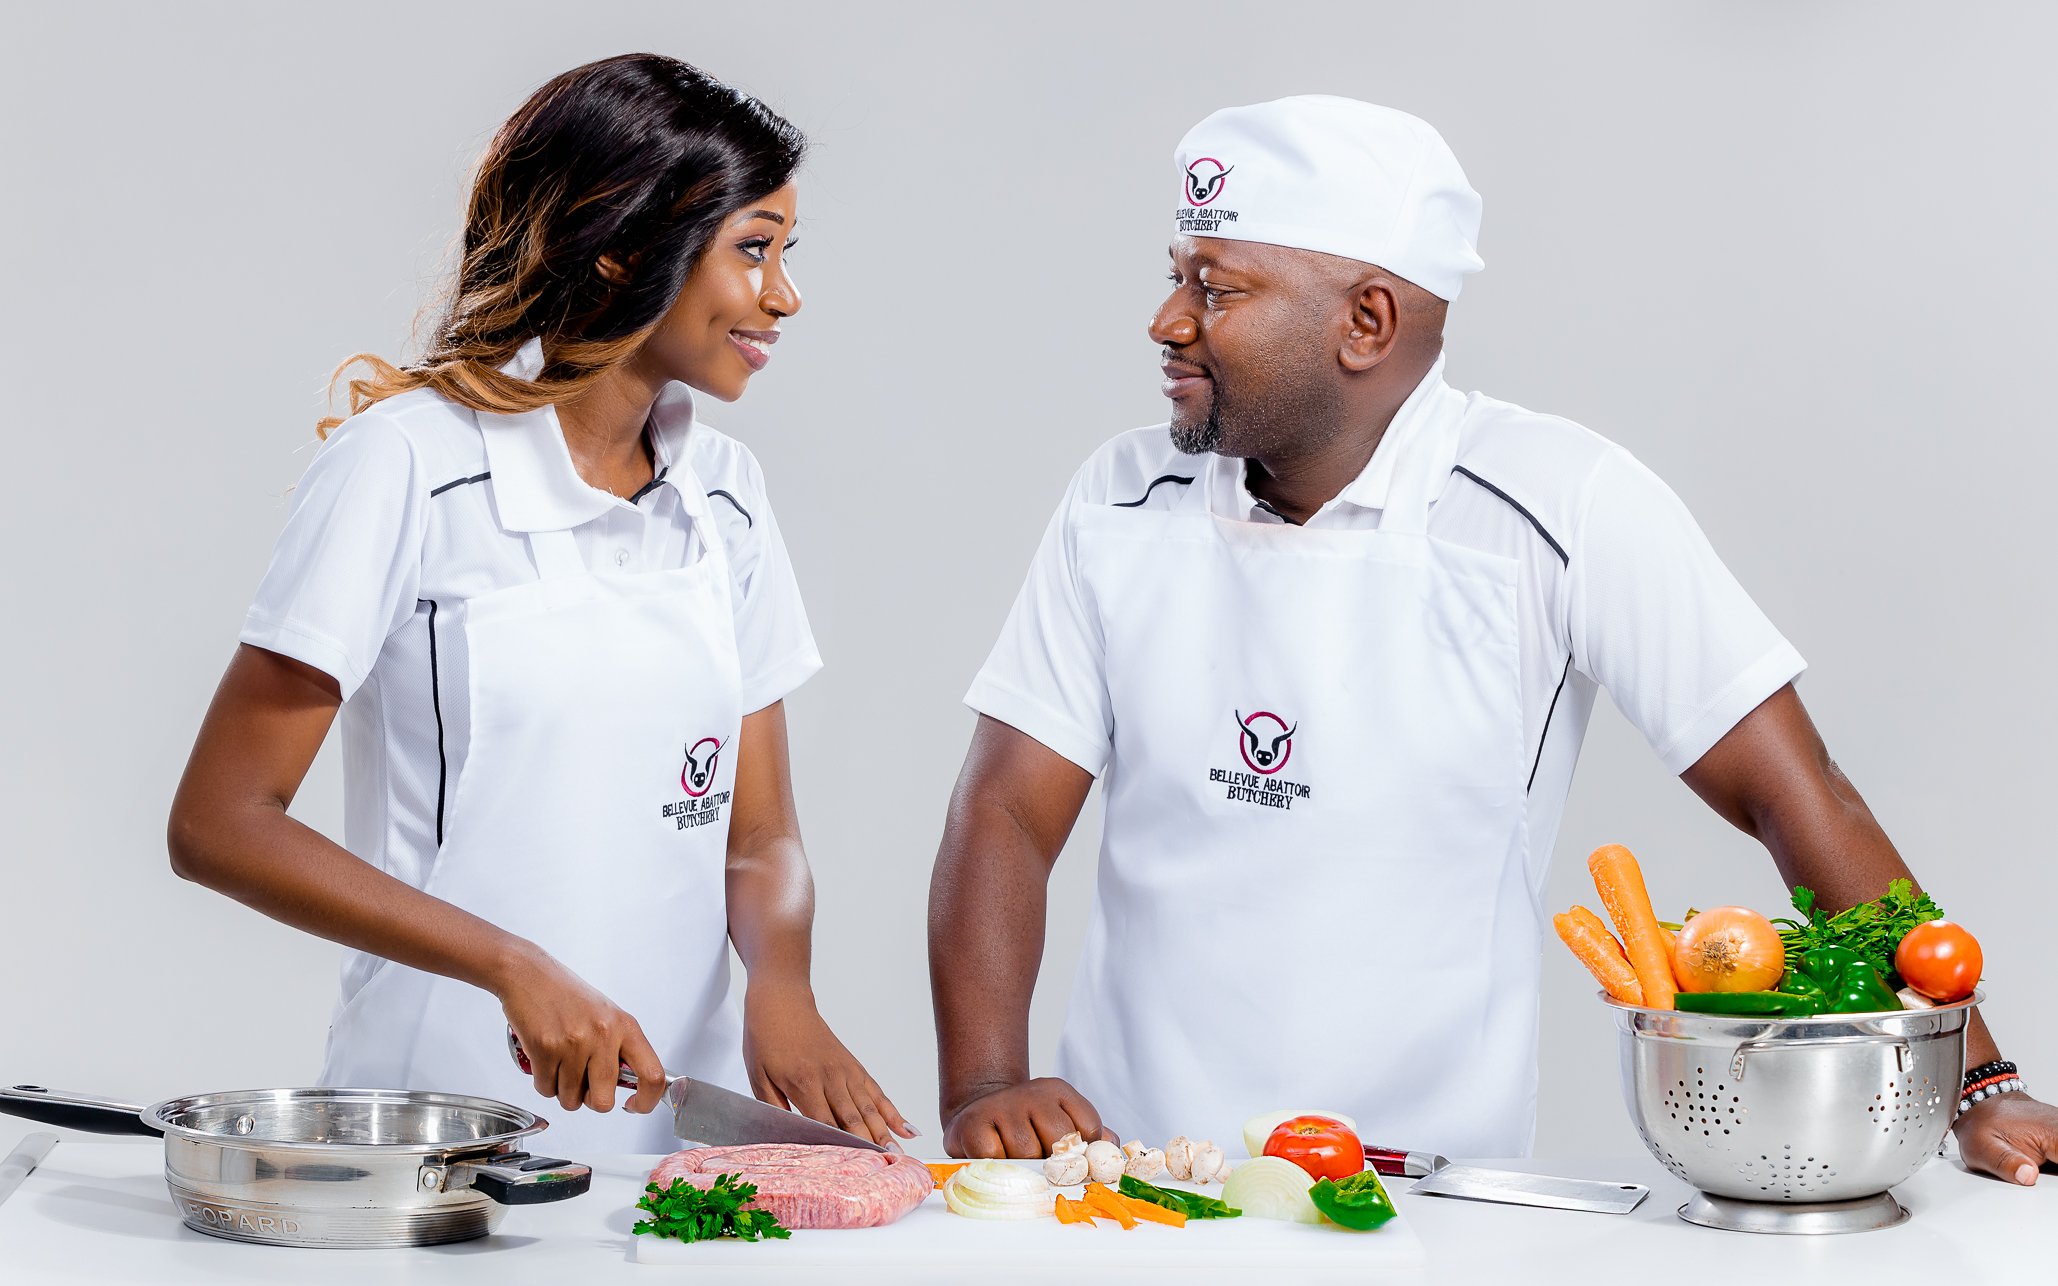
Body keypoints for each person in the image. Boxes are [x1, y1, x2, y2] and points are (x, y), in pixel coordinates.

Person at [928, 95, 2056, 1183]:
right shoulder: (1120, 496)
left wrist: (1979, 1081)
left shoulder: (1561, 505)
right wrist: (983, 1080)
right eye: (1176, 275)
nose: (1168, 318)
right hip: (1129, 1180)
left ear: (1365, 323)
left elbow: (1795, 790)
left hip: (1419, 1196)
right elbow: (1008, 809)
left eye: (1214, 288)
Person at [168, 53, 914, 1153]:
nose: (784, 294)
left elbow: (757, 831)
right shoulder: (407, 467)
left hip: (677, 1147)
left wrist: (784, 987)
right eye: (754, 250)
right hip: (444, 1136)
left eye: (786, 252)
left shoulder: (728, 497)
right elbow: (220, 821)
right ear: (622, 251)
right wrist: (509, 963)